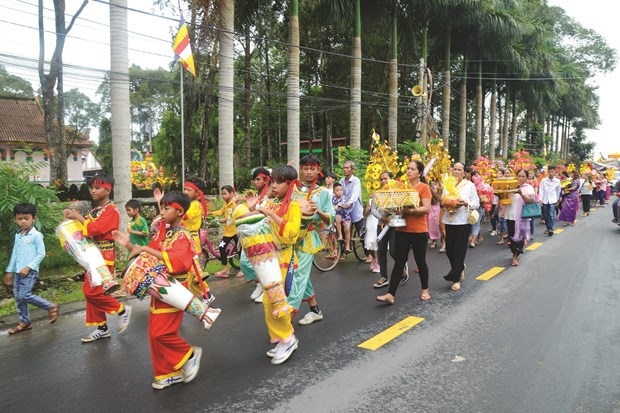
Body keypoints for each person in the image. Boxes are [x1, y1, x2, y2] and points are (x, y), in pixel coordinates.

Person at [114, 190, 219, 389]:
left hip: (175, 288)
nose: (161, 211)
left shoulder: (183, 236)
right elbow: (148, 255)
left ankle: (189, 355)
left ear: (179, 212)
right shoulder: (166, 232)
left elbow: (179, 262)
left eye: (166, 208)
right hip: (159, 286)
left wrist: (144, 249)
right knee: (155, 332)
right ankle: (168, 373)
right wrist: (129, 245)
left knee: (161, 333)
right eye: (161, 207)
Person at [244, 165, 305, 364]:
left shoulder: (294, 206)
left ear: (291, 184)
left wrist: (269, 214)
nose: (275, 186)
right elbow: (255, 223)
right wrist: (254, 209)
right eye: (273, 182)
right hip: (268, 258)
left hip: (284, 258)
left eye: (279, 182)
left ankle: (288, 338)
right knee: (269, 302)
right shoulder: (270, 203)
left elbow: (291, 234)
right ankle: (284, 337)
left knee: (274, 300)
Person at [63, 174, 131, 342]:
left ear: (108, 189)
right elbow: (87, 227)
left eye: (97, 187)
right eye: (92, 187)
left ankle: (121, 310)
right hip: (92, 254)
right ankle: (102, 328)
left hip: (104, 257)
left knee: (91, 291)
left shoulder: (111, 210)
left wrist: (78, 217)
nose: (93, 190)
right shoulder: (95, 210)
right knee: (90, 291)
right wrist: (73, 219)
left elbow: (95, 229)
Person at [376, 160, 432, 304]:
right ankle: (390, 294)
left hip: (419, 230)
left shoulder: (424, 187)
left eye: (412, 169)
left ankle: (425, 290)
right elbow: (394, 205)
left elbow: (426, 208)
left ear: (419, 173)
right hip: (402, 229)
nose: (408, 171)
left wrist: (410, 210)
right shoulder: (400, 187)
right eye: (407, 168)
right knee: (399, 262)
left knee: (420, 261)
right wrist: (393, 208)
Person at [291, 154, 335, 326]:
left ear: (318, 171)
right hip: (290, 238)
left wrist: (318, 212)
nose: (309, 172)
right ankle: (315, 310)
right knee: (299, 275)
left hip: (307, 239)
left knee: (296, 276)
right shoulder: (292, 188)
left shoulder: (322, 192)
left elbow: (330, 218)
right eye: (306, 168)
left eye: (312, 169)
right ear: (300, 170)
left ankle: (287, 320)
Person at [4, 203, 58, 334]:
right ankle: (25, 322)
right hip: (18, 271)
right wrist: (10, 271)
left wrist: (28, 267)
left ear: (34, 218)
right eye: (19, 218)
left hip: (29, 271)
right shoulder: (18, 235)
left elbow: (41, 254)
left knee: (24, 295)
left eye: (26, 218)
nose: (23, 221)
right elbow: (15, 254)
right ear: (15, 219)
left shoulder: (36, 235)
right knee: (18, 297)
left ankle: (50, 306)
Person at [441, 162, 480, 291]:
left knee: (459, 250)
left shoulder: (469, 185)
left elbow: (476, 203)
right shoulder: (447, 185)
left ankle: (455, 278)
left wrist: (465, 203)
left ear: (464, 172)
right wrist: (447, 203)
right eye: (455, 169)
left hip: (463, 221)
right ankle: (460, 267)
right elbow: (443, 200)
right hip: (449, 220)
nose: (457, 172)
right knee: (449, 250)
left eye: (460, 170)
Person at [239, 167, 272, 302]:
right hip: (252, 233)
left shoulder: (271, 193)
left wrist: (250, 213)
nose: (255, 182)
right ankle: (260, 282)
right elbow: (255, 211)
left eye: (258, 179)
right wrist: (251, 208)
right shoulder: (258, 194)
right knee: (244, 261)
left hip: (266, 233)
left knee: (265, 262)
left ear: (266, 180)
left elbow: (265, 212)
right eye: (254, 180)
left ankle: (268, 288)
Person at [504, 169, 535, 266]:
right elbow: (504, 198)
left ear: (526, 178)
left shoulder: (529, 188)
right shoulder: (511, 185)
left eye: (523, 176)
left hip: (522, 217)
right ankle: (514, 252)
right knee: (512, 237)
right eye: (519, 176)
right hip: (510, 215)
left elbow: (531, 201)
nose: (521, 178)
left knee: (519, 238)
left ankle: (515, 256)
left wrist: (521, 193)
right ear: (516, 176)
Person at [212, 185, 238, 278]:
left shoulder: (233, 204)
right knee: (221, 247)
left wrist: (224, 219)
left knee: (240, 250)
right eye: (222, 194)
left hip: (235, 231)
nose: (223, 196)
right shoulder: (225, 204)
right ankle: (225, 269)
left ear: (231, 194)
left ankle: (244, 269)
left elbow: (232, 216)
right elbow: (220, 211)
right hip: (228, 232)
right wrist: (211, 213)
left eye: (225, 194)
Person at [340, 160, 364, 253]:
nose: (345, 169)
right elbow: (339, 193)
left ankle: (369, 255)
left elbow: (355, 193)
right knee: (342, 231)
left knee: (361, 232)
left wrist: (349, 203)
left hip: (355, 209)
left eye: (347, 168)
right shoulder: (341, 181)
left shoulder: (356, 180)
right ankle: (343, 252)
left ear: (352, 170)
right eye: (344, 168)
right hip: (345, 210)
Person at [182, 176, 209, 254]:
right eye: (185, 189)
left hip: (191, 237)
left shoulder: (195, 205)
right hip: (185, 236)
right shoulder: (188, 204)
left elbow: (184, 216)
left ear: (197, 193)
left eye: (189, 190)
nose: (185, 192)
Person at [539, 166, 561, 236]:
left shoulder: (557, 181)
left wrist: (557, 199)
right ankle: (548, 227)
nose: (551, 173)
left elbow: (558, 190)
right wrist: (540, 199)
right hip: (545, 199)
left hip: (553, 199)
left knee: (551, 214)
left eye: (552, 171)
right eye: (549, 171)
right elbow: (541, 190)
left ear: (555, 172)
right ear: (547, 172)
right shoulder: (543, 180)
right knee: (545, 215)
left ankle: (550, 229)